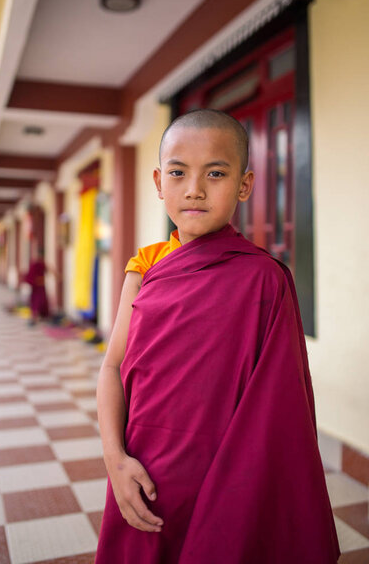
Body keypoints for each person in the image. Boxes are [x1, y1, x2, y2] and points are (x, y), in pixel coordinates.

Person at [95, 109, 340, 563]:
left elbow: (279, 404)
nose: (194, 188)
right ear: (158, 182)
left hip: (230, 472)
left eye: (215, 172)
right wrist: (115, 457)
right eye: (178, 172)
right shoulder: (145, 268)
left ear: (244, 185)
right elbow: (112, 366)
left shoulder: (264, 278)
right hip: (146, 469)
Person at [23, 248, 50, 325]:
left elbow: (48, 271)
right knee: (36, 302)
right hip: (36, 287)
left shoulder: (42, 264)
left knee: (41, 302)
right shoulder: (35, 264)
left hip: (41, 287)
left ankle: (38, 316)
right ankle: (34, 317)